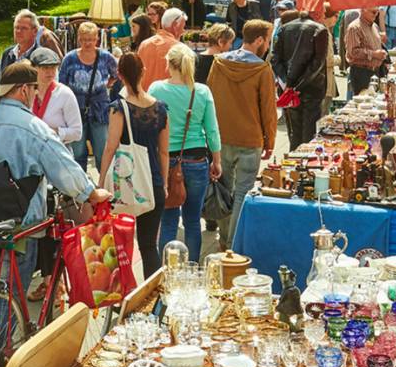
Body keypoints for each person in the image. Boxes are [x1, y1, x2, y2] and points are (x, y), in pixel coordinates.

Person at [0, 63, 110, 274]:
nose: (36, 94)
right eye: (34, 89)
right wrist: (90, 193)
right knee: (14, 293)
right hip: (20, 222)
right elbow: (63, 167)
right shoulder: (33, 126)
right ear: (24, 89)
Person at [99, 52, 169, 274]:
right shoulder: (160, 108)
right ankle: (154, 302)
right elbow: (164, 151)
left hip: (125, 185)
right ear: (143, 72)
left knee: (122, 246)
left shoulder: (118, 108)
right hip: (153, 182)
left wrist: (101, 183)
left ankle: (125, 298)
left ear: (119, 75)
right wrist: (164, 184)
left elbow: (110, 148)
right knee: (149, 245)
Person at [208, 19, 276, 241]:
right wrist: (270, 141)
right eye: (267, 40)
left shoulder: (219, 63)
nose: (267, 45)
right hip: (250, 139)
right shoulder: (262, 69)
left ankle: (224, 237)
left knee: (224, 189)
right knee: (242, 192)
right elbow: (268, 109)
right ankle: (233, 243)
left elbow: (209, 99)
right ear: (258, 40)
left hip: (222, 136)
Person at [152, 44, 221, 261]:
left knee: (169, 219)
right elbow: (212, 130)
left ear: (169, 64)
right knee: (193, 220)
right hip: (196, 159)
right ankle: (193, 266)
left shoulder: (156, 89)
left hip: (166, 160)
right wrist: (216, 160)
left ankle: (167, 268)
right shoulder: (201, 91)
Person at [60, 23, 118, 169]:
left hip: (100, 110)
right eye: (84, 39)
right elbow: (61, 83)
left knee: (101, 151)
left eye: (91, 39)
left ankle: (104, 185)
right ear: (79, 39)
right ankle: (81, 188)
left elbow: (117, 74)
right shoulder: (70, 59)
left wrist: (106, 84)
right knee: (78, 153)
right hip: (75, 110)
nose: (87, 43)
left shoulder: (105, 57)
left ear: (97, 39)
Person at [272, 9, 330, 147]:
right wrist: (296, 85)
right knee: (308, 130)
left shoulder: (285, 28)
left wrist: (287, 83)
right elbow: (317, 63)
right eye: (322, 12)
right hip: (311, 88)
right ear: (315, 13)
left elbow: (275, 59)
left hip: (291, 87)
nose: (323, 15)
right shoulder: (319, 30)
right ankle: (303, 159)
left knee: (294, 130)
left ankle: (295, 159)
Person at [0, 10, 63, 89]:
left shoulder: (43, 57)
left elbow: (52, 89)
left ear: (35, 31)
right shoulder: (8, 54)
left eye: (24, 28)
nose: (18, 31)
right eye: (16, 27)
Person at [29, 47, 83, 150]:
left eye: (53, 67)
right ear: (33, 68)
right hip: (32, 152)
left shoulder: (65, 93)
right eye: (45, 68)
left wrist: (50, 131)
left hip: (58, 152)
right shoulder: (27, 92)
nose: (50, 72)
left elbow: (77, 132)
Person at [343, 7, 388, 98]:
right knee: (362, 102)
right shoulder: (354, 28)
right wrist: (374, 54)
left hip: (375, 71)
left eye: (377, 12)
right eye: (373, 12)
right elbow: (353, 52)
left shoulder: (374, 26)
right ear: (363, 9)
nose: (376, 14)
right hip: (362, 72)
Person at [139, 7, 185, 89]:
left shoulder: (144, 44)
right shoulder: (180, 48)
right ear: (175, 25)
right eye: (182, 27)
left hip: (145, 97)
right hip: (167, 98)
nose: (183, 31)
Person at [194, 23, 234, 88]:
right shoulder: (223, 62)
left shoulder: (195, 58)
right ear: (220, 42)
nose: (231, 46)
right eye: (230, 42)